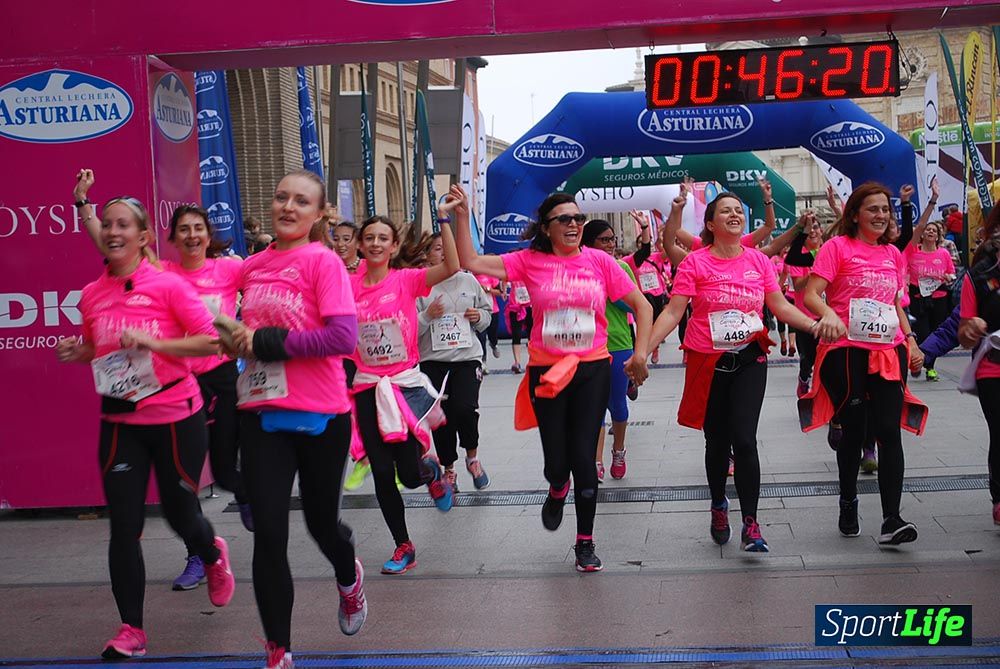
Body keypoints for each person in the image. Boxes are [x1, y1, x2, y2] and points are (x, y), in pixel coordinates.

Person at [58, 182, 235, 659]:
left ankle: (212, 552)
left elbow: (210, 343)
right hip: (119, 420)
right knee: (124, 526)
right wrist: (81, 353)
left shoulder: (168, 285)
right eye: (108, 224)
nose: (113, 231)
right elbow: (101, 349)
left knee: (181, 514)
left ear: (143, 238)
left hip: (176, 415)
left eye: (123, 225)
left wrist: (156, 345)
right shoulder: (92, 294)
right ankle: (131, 630)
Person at [455, 187, 652, 572]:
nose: (575, 225)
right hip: (546, 371)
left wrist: (640, 353)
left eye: (578, 218)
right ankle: (556, 486)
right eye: (565, 219)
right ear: (547, 228)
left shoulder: (600, 262)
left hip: (591, 366)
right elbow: (471, 260)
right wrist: (462, 215)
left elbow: (642, 306)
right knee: (556, 462)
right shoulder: (530, 260)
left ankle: (585, 542)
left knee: (584, 456)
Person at [223, 170, 367, 668]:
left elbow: (342, 339)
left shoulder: (323, 263)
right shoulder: (251, 267)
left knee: (321, 525)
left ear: (320, 214)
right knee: (269, 532)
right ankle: (278, 650)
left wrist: (267, 343)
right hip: (261, 411)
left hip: (322, 415)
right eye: (281, 196)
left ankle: (348, 578)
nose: (288, 207)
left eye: (301, 201)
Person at [648, 191, 821, 553]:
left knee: (744, 440)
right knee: (716, 442)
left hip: (749, 359)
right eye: (725, 210)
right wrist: (644, 349)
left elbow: (778, 307)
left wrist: (813, 325)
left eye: (738, 210)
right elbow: (673, 312)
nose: (734, 214)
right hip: (707, 362)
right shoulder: (696, 262)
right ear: (710, 224)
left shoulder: (758, 261)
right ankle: (717, 504)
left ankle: (751, 523)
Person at [800, 182, 927, 546]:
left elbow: (897, 303)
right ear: (854, 214)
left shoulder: (892, 254)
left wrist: (912, 342)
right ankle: (848, 500)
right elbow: (811, 293)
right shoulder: (836, 247)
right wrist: (828, 315)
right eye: (873, 209)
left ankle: (892, 519)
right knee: (854, 431)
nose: (881, 215)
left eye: (885, 209)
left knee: (889, 431)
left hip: (889, 352)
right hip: (845, 350)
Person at [349, 209, 461, 575]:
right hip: (367, 386)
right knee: (382, 473)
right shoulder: (348, 285)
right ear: (360, 246)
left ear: (394, 245)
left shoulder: (406, 280)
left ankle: (430, 473)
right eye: (369, 238)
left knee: (409, 474)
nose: (376, 243)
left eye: (383, 238)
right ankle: (403, 546)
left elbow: (451, 268)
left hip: (402, 386)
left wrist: (445, 221)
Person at [417, 230, 493, 492]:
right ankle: (449, 469)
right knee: (441, 418)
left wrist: (478, 317)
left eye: (447, 247)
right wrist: (427, 315)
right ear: (427, 254)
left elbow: (487, 315)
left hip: (466, 358)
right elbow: (408, 330)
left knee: (465, 409)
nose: (444, 252)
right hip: (433, 360)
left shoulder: (468, 281)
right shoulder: (421, 284)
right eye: (438, 248)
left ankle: (473, 458)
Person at [583, 218, 639, 481]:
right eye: (604, 239)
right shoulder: (580, 269)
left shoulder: (621, 268)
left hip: (618, 344)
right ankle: (595, 461)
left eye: (612, 239)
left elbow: (636, 305)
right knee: (593, 407)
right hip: (587, 345)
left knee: (617, 404)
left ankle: (618, 450)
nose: (610, 244)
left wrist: (614, 294)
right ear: (589, 243)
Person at [957, 204, 1000, 527]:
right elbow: (964, 334)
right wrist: (970, 329)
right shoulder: (980, 274)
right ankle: (999, 499)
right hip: (993, 368)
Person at [905, 219, 956, 382]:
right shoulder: (913, 252)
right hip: (918, 297)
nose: (931, 232)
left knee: (936, 329)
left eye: (934, 230)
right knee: (922, 331)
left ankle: (930, 366)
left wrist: (949, 277)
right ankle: (919, 360)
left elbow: (952, 273)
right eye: (928, 229)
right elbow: (904, 270)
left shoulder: (943, 254)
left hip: (939, 297)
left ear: (938, 236)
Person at [623, 210, 670, 364]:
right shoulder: (630, 261)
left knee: (658, 324)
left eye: (648, 242)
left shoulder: (656, 257)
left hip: (658, 295)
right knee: (647, 325)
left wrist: (663, 232)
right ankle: (651, 349)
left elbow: (668, 249)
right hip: (643, 296)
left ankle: (654, 346)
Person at [476, 272, 503, 370]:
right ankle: (483, 362)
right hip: (479, 313)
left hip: (493, 310)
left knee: (492, 334)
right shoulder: (471, 278)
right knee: (481, 337)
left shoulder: (489, 277)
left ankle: (494, 344)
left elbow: (500, 292)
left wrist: (488, 289)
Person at [506, 278, 533, 373]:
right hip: (515, 306)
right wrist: (504, 290)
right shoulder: (514, 271)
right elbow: (504, 278)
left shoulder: (530, 271)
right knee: (516, 334)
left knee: (532, 335)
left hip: (530, 305)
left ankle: (533, 359)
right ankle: (517, 362)